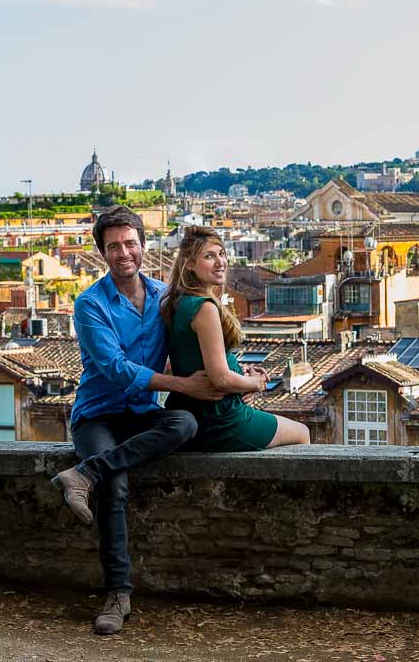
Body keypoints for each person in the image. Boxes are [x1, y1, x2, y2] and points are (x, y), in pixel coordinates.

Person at [50, 206, 224, 636]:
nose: (124, 252)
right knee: (117, 485)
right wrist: (183, 383)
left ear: (143, 246)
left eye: (130, 243)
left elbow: (199, 328)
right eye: (114, 246)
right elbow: (116, 368)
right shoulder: (90, 304)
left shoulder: (164, 298)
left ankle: (83, 474)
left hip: (143, 413)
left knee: (184, 424)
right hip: (98, 415)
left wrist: (235, 377)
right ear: (103, 254)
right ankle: (118, 595)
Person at [161, 225, 311, 450]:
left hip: (192, 411)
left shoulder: (175, 302)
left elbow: (196, 360)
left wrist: (240, 376)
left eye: (221, 253)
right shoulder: (204, 308)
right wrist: (255, 383)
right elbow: (220, 378)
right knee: (302, 433)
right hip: (221, 419)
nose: (220, 262)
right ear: (189, 265)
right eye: (209, 256)